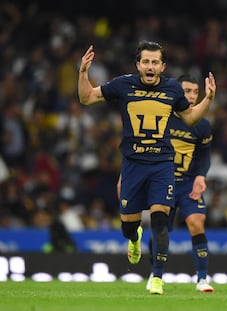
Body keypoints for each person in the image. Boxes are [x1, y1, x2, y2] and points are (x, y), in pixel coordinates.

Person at [78, 40, 216, 295]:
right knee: (129, 226)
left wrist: (208, 99)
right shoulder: (123, 84)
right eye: (146, 61)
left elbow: (190, 117)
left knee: (160, 219)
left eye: (155, 62)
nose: (150, 66)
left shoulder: (173, 89)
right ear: (138, 65)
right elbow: (87, 97)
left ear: (162, 66)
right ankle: (133, 237)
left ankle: (156, 277)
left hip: (163, 164)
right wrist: (83, 72)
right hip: (133, 164)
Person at [145, 74, 214, 292]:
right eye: (187, 91)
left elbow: (205, 155)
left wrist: (201, 175)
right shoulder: (163, 116)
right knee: (160, 228)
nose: (191, 96)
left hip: (187, 184)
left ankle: (202, 279)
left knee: (196, 223)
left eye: (195, 91)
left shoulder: (202, 125)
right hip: (164, 182)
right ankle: (156, 275)